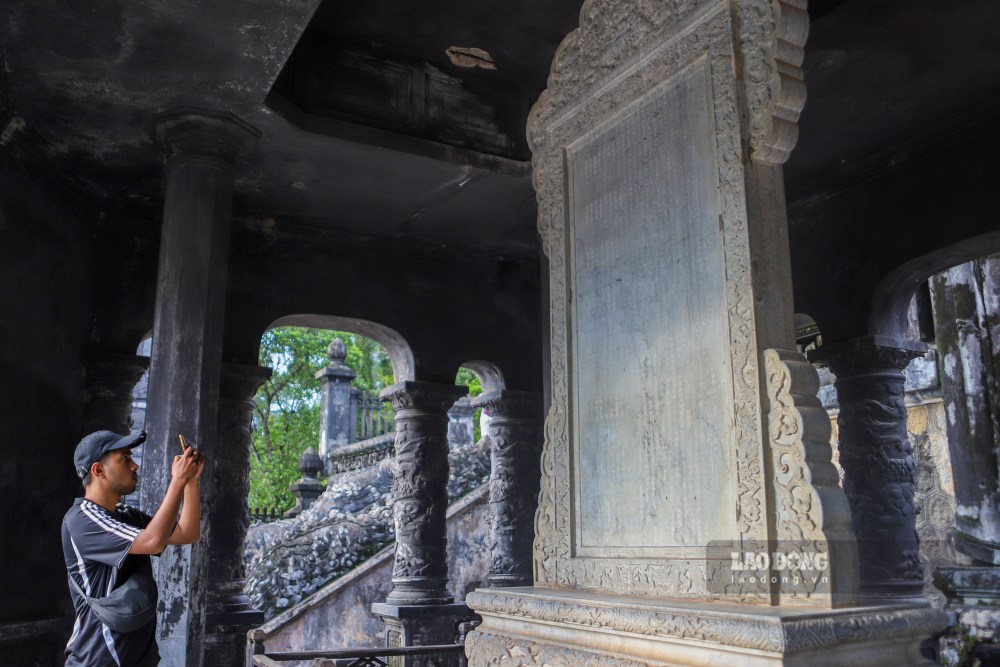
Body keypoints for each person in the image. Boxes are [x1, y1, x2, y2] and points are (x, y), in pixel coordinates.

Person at [62, 430, 205, 666]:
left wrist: (190, 481)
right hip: (98, 658)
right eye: (125, 459)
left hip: (137, 658)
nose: (135, 466)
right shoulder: (81, 519)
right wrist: (177, 481)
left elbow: (187, 533)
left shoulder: (125, 515)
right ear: (99, 470)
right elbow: (152, 541)